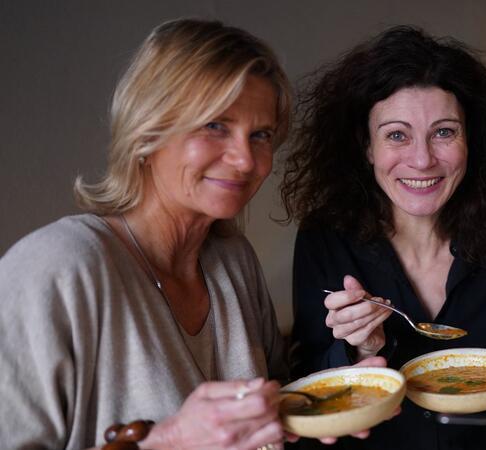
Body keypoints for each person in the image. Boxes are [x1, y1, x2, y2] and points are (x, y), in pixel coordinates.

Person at [0, 18, 350, 450]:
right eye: (215, 126)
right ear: (147, 131)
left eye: (259, 135)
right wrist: (167, 441)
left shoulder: (233, 259)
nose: (245, 159)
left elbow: (269, 406)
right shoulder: (55, 267)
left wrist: (336, 399)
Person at [280, 26, 486, 450]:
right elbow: (309, 388)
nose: (422, 160)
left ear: (471, 141)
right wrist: (364, 352)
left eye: (444, 132)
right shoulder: (325, 237)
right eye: (397, 135)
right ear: (367, 146)